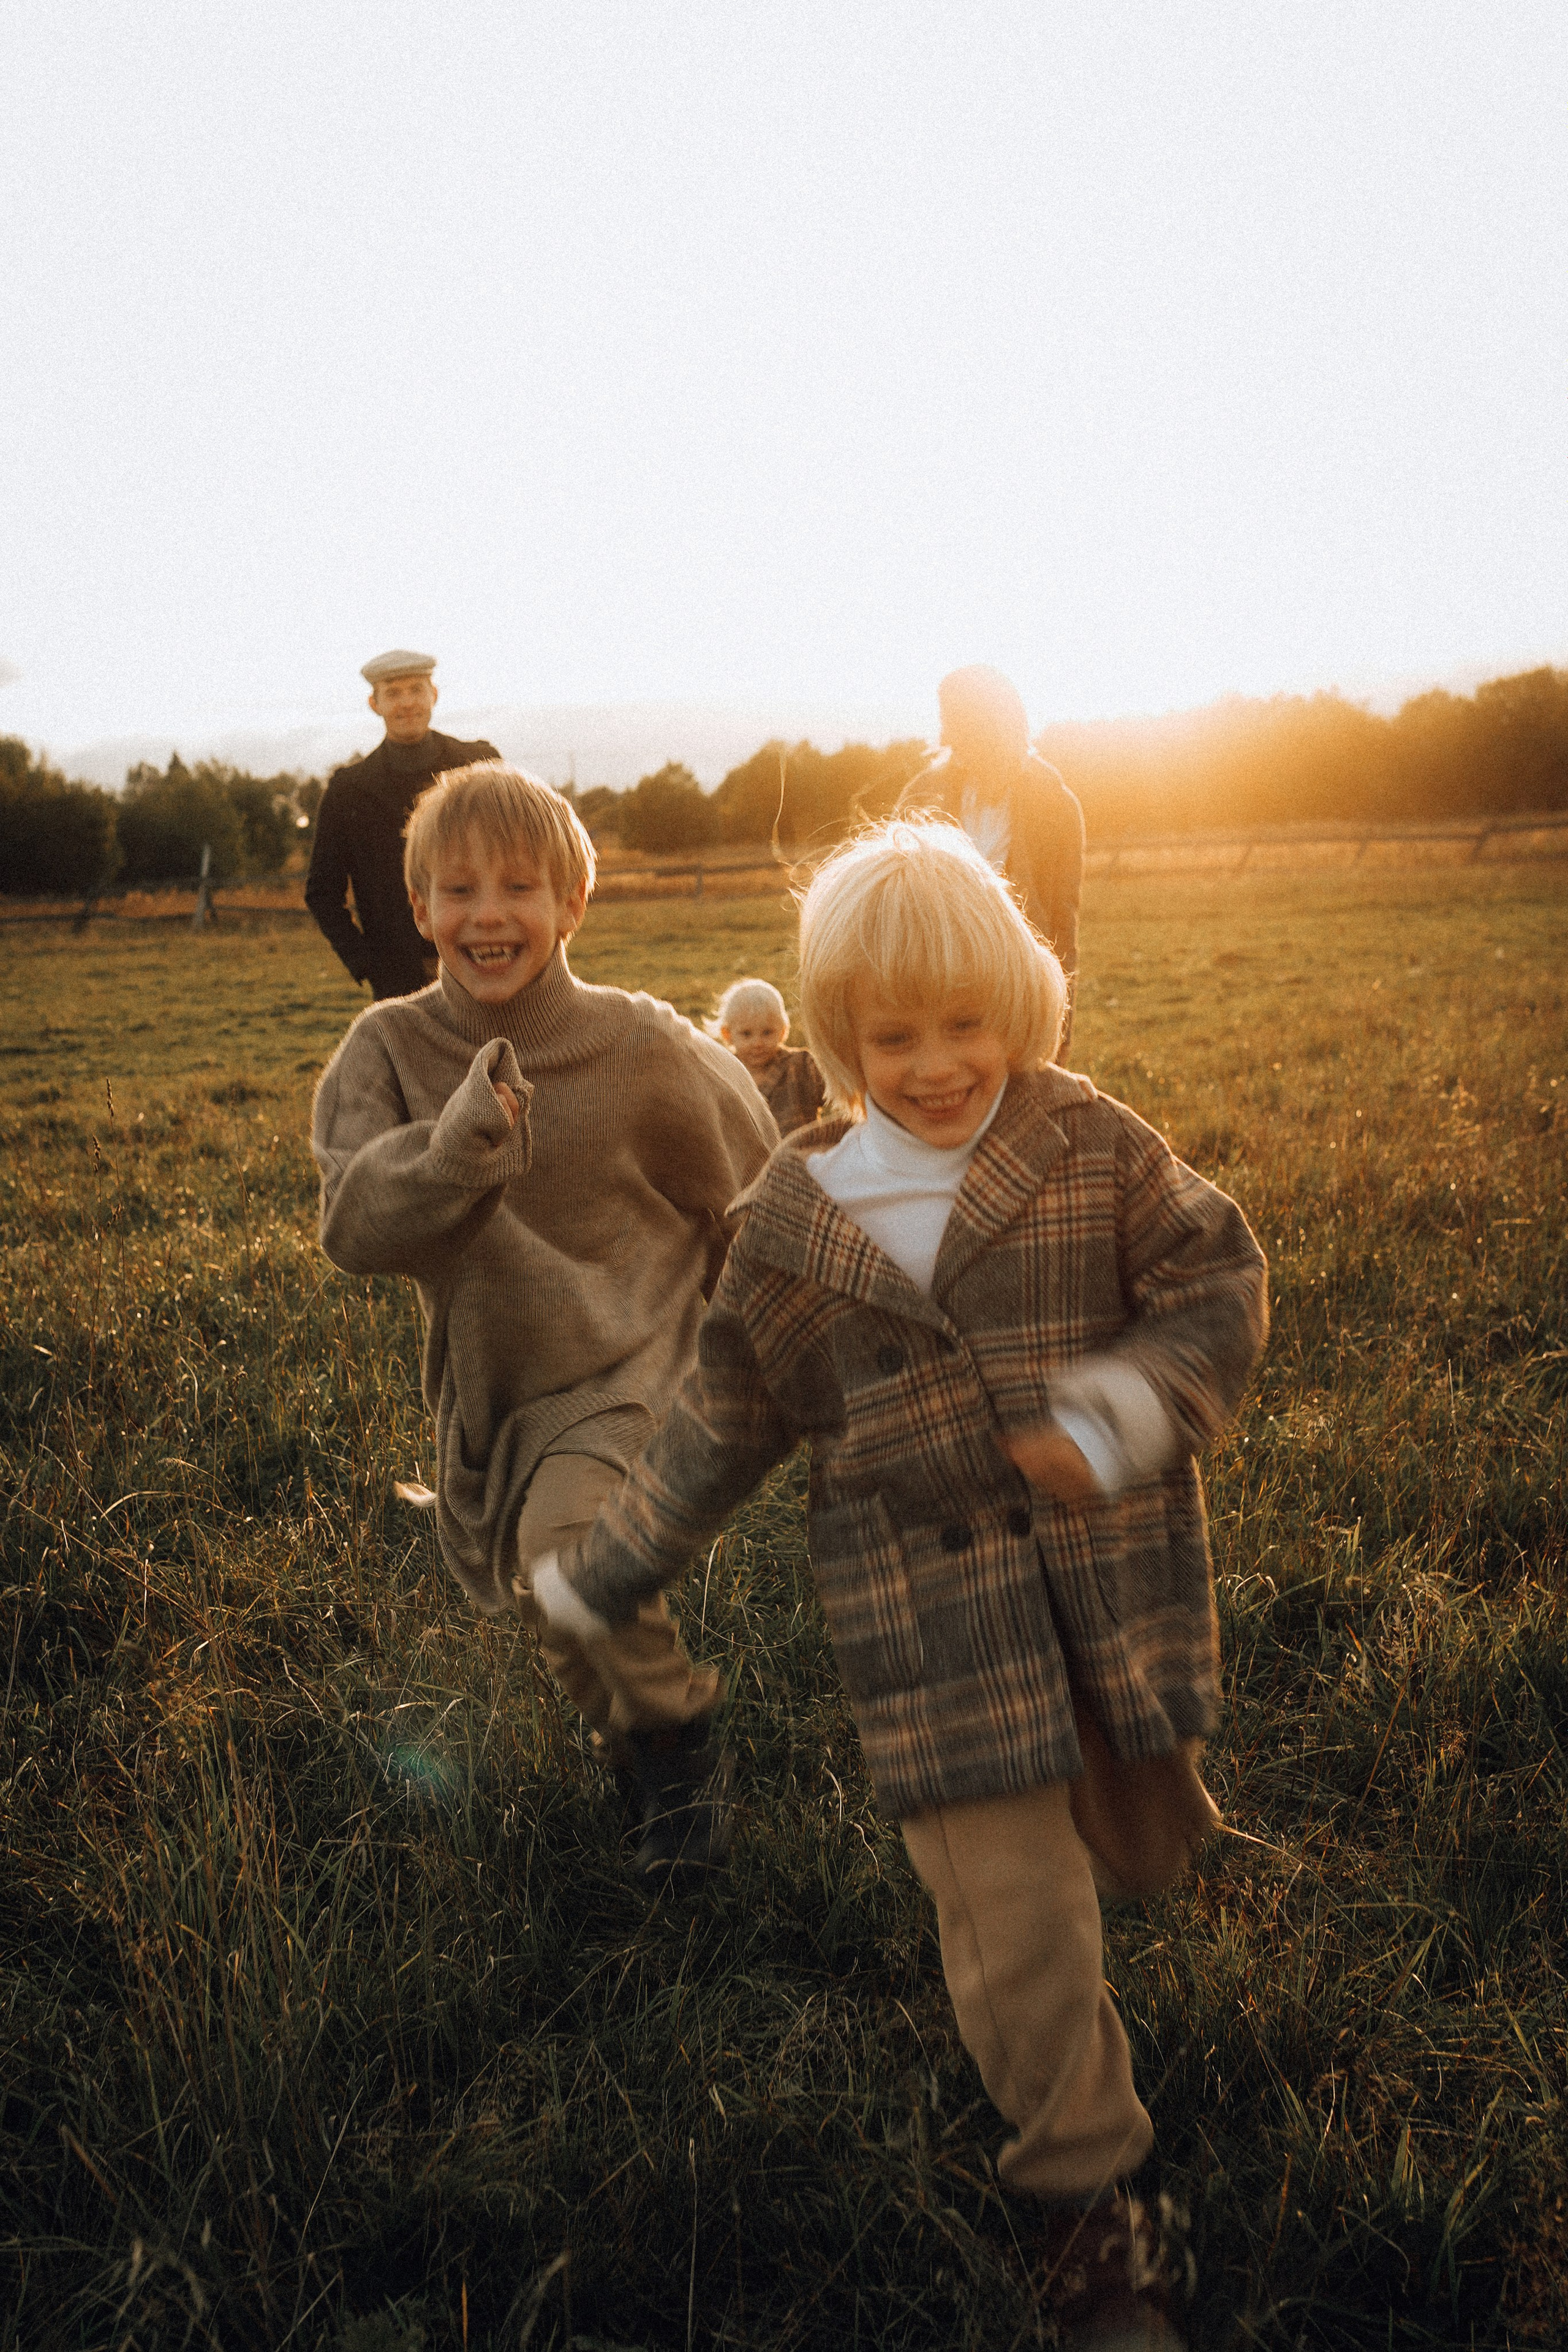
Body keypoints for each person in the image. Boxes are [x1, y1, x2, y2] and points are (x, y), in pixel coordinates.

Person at [529, 820, 1266, 2347]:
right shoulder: (792, 1225)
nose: (934, 1063)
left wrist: (1117, 1410)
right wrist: (612, 1566)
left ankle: (1163, 1810)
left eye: (965, 1024)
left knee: (1131, 1810)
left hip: (1100, 1588)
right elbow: (722, 1417)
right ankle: (1092, 2206)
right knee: (1015, 1915)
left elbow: (1215, 1282)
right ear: (839, 1037)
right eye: (892, 1033)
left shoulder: (1088, 1146)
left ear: (1021, 1007)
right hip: (930, 1633)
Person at [311, 762, 778, 1883]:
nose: (488, 913)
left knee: (566, 1555)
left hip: (633, 1355)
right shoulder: (385, 1050)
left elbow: (755, 1174)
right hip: (498, 1389)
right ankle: (636, 1745)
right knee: (548, 1589)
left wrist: (771, 1330)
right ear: (417, 910)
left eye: (519, 887)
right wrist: (457, 1145)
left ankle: (676, 1752)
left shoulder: (640, 1045)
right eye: (458, 890)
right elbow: (355, 1223)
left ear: (572, 906)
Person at [897, 664, 1085, 1054]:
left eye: (968, 734)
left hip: (1015, 975)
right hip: (935, 974)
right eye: (951, 732)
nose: (954, 744)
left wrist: (1059, 1030)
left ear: (1004, 729)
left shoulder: (1056, 805)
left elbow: (1061, 920)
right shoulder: (921, 796)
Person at [306, 649, 500, 999]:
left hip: (485, 961)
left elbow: (517, 859)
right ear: (374, 703)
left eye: (416, 690)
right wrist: (367, 963)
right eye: (393, 693)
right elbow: (322, 893)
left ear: (435, 695)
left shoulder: (479, 765)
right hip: (398, 981)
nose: (406, 703)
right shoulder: (349, 789)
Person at [709, 976, 825, 1136]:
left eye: (767, 1032)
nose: (758, 1043)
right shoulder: (722, 1074)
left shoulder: (801, 1066)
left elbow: (844, 1089)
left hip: (801, 1156)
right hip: (748, 1159)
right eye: (746, 1034)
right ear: (727, 1034)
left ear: (783, 1031)